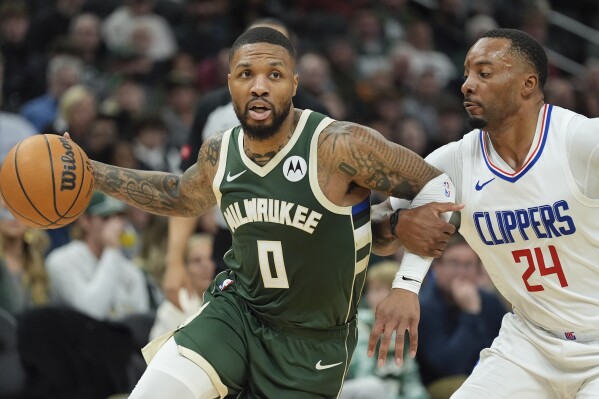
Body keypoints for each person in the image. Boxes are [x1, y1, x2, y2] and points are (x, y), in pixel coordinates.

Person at [70, 27, 460, 398]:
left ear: (293, 84)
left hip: (313, 345)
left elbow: (439, 187)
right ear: (230, 85)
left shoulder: (339, 146)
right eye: (246, 74)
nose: (259, 86)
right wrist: (92, 173)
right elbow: (178, 195)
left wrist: (406, 286)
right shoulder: (219, 152)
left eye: (274, 74)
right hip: (238, 313)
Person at [371, 28, 599, 398]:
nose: (466, 85)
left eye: (484, 73)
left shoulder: (581, 142)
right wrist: (398, 225)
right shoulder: (453, 162)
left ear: (528, 84)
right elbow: (375, 226)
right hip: (530, 343)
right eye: (466, 74)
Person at [165, 18, 332, 310]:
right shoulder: (211, 108)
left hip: (298, 245)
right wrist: (174, 261)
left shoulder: (318, 115)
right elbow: (186, 192)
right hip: (229, 242)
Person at [417, 234, 506, 394]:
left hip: (488, 379)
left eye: (468, 265)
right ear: (437, 266)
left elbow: (506, 346)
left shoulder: (489, 301)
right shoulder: (424, 306)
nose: (461, 272)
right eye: (454, 263)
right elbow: (449, 366)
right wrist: (470, 313)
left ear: (479, 271)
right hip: (441, 386)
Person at [45, 192, 151, 321]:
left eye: (119, 217)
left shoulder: (133, 272)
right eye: (105, 218)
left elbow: (141, 325)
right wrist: (111, 249)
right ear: (84, 220)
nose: (115, 226)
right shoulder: (61, 261)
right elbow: (91, 313)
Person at [341, 261, 429, 399]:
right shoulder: (359, 324)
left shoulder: (404, 329)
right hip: (358, 389)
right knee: (372, 387)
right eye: (375, 290)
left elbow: (411, 378)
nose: (379, 296)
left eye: (387, 290)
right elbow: (364, 372)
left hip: (392, 393)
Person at [149, 233, 215, 340]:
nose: (206, 266)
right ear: (183, 267)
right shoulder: (172, 307)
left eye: (210, 258)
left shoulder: (223, 302)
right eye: (197, 260)